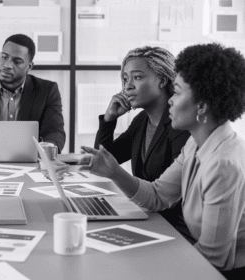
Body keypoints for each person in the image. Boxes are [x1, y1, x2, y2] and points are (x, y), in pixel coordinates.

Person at [78, 43, 245, 279]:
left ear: (202, 106)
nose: (170, 101)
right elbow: (157, 195)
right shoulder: (197, 143)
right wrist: (114, 172)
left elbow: (212, 259)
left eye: (176, 92)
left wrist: (147, 268)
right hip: (195, 256)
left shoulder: (222, 163)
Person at [94, 46, 192, 242]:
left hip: (173, 228)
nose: (128, 86)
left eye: (137, 77)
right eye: (125, 79)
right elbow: (104, 162)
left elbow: (176, 198)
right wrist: (109, 120)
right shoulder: (141, 121)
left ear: (163, 80)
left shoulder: (180, 126)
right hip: (148, 215)